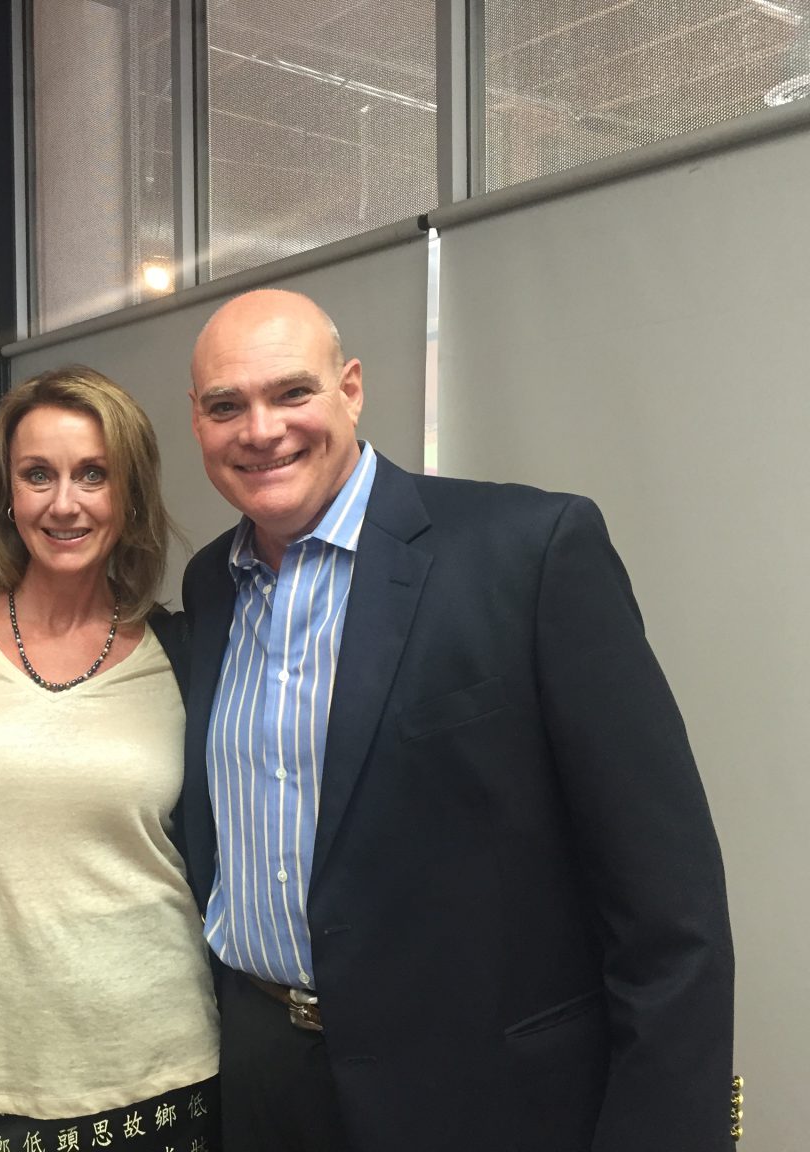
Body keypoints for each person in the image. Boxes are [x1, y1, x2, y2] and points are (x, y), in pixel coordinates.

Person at [178, 288, 734, 1152]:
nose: (261, 429)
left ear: (350, 390)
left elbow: (670, 908)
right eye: (226, 406)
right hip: (266, 1079)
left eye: (292, 392)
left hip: (478, 1094)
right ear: (198, 421)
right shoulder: (213, 584)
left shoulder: (528, 550)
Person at [0, 367, 220, 1152]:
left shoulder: (185, 652)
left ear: (130, 494)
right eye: (38, 475)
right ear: (6, 494)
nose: (64, 503)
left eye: (94, 475)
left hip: (161, 1065)